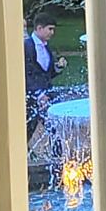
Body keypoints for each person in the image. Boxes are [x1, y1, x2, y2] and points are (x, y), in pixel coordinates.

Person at [24, 12, 67, 147]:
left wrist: (58, 68)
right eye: (50, 29)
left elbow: (46, 74)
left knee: (55, 129)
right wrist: (39, 94)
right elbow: (26, 74)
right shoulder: (27, 46)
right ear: (39, 28)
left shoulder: (46, 47)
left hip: (48, 96)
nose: (52, 33)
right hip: (32, 98)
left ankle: (57, 156)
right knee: (27, 129)